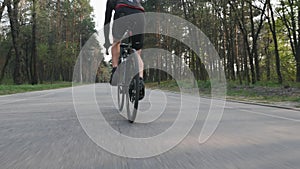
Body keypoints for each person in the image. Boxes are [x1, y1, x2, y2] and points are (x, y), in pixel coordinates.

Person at [104, 0, 145, 100]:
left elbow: (107, 22)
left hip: (122, 12)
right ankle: (140, 79)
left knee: (116, 42)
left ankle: (115, 71)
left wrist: (107, 42)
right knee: (137, 51)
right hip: (140, 14)